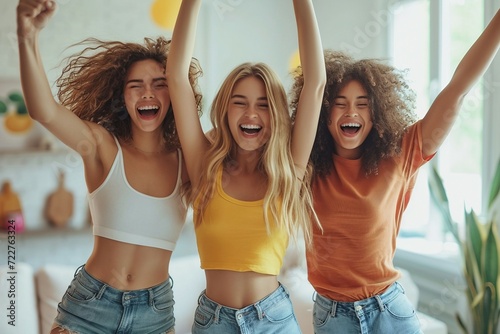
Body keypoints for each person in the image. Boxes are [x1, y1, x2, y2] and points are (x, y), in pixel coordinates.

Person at [288, 8, 500, 334]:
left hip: (388, 311)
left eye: (362, 103)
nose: (351, 111)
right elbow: (313, 86)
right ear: (324, 113)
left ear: (376, 114)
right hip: (331, 316)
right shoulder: (308, 166)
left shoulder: (400, 154)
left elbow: (457, 90)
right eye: (340, 102)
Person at [17, 0, 202, 333]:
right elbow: (43, 111)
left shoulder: (188, 161)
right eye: (136, 85)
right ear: (123, 97)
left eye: (160, 84)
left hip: (154, 314)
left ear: (174, 93)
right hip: (90, 308)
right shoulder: (102, 147)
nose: (148, 93)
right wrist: (27, 36)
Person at [166, 0, 325, 333]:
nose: (251, 113)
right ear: (225, 111)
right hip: (214, 322)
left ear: (276, 117)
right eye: (240, 103)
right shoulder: (204, 166)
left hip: (274, 320)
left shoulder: (287, 171)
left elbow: (315, 84)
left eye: (263, 105)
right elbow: (177, 79)